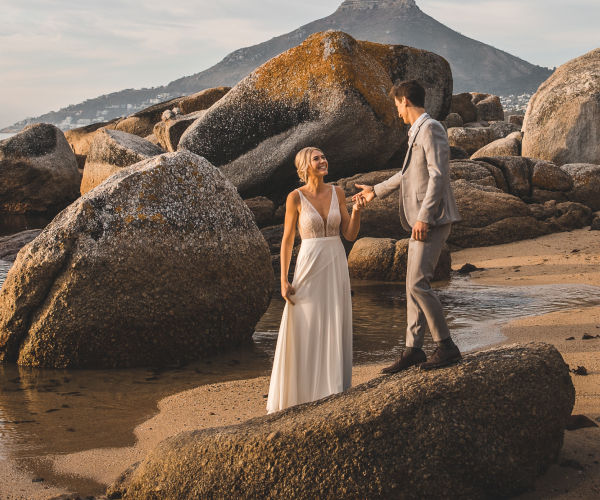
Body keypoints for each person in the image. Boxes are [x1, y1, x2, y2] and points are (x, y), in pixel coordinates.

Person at [354, 80, 462, 373]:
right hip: (421, 219)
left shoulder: (432, 128)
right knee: (410, 283)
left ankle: (446, 346)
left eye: (396, 106)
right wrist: (374, 191)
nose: (397, 112)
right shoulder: (416, 131)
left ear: (404, 101)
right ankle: (413, 350)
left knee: (417, 283)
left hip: (432, 219)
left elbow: (439, 176)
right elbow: (405, 176)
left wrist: (424, 217)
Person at [266, 147, 365, 413]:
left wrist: (356, 211)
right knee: (305, 323)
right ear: (305, 166)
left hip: (335, 262)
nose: (323, 161)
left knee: (333, 320)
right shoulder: (295, 198)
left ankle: (331, 390)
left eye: (324, 156)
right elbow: (287, 240)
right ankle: (301, 393)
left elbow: (350, 234)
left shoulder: (338, 193)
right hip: (308, 265)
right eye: (317, 158)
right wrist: (284, 280)